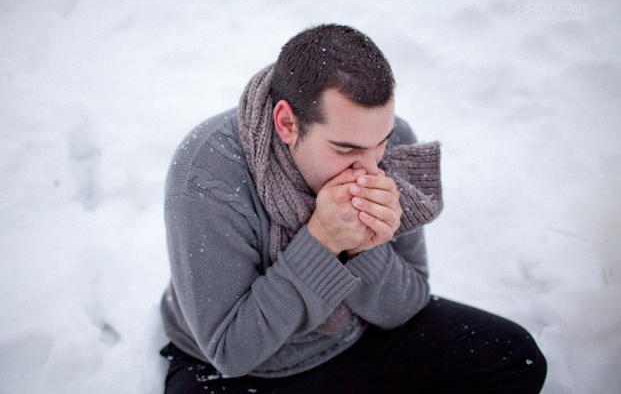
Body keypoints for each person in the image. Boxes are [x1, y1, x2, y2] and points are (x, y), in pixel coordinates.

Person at [159, 24, 547, 393]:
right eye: (346, 150)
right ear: (286, 124)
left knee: (514, 358)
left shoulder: (383, 141)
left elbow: (406, 305)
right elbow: (231, 350)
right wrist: (323, 242)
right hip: (236, 372)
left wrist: (360, 245)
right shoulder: (206, 174)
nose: (371, 167)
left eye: (382, 141)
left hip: (353, 342)